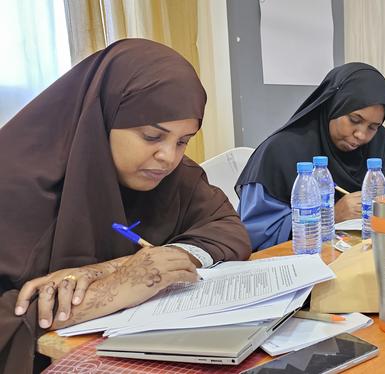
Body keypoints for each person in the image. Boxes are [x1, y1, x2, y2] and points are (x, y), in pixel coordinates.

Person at [0, 39, 251, 373]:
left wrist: (113, 268)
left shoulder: (176, 177)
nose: (168, 157)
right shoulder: (14, 184)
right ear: (102, 115)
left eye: (182, 141)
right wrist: (105, 293)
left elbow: (229, 231)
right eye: (152, 137)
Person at [236, 63, 385, 251]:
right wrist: (331, 215)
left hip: (361, 253)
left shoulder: (378, 140)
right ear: (335, 105)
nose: (361, 134)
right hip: (300, 260)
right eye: (354, 120)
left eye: (373, 127)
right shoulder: (281, 150)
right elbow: (254, 233)